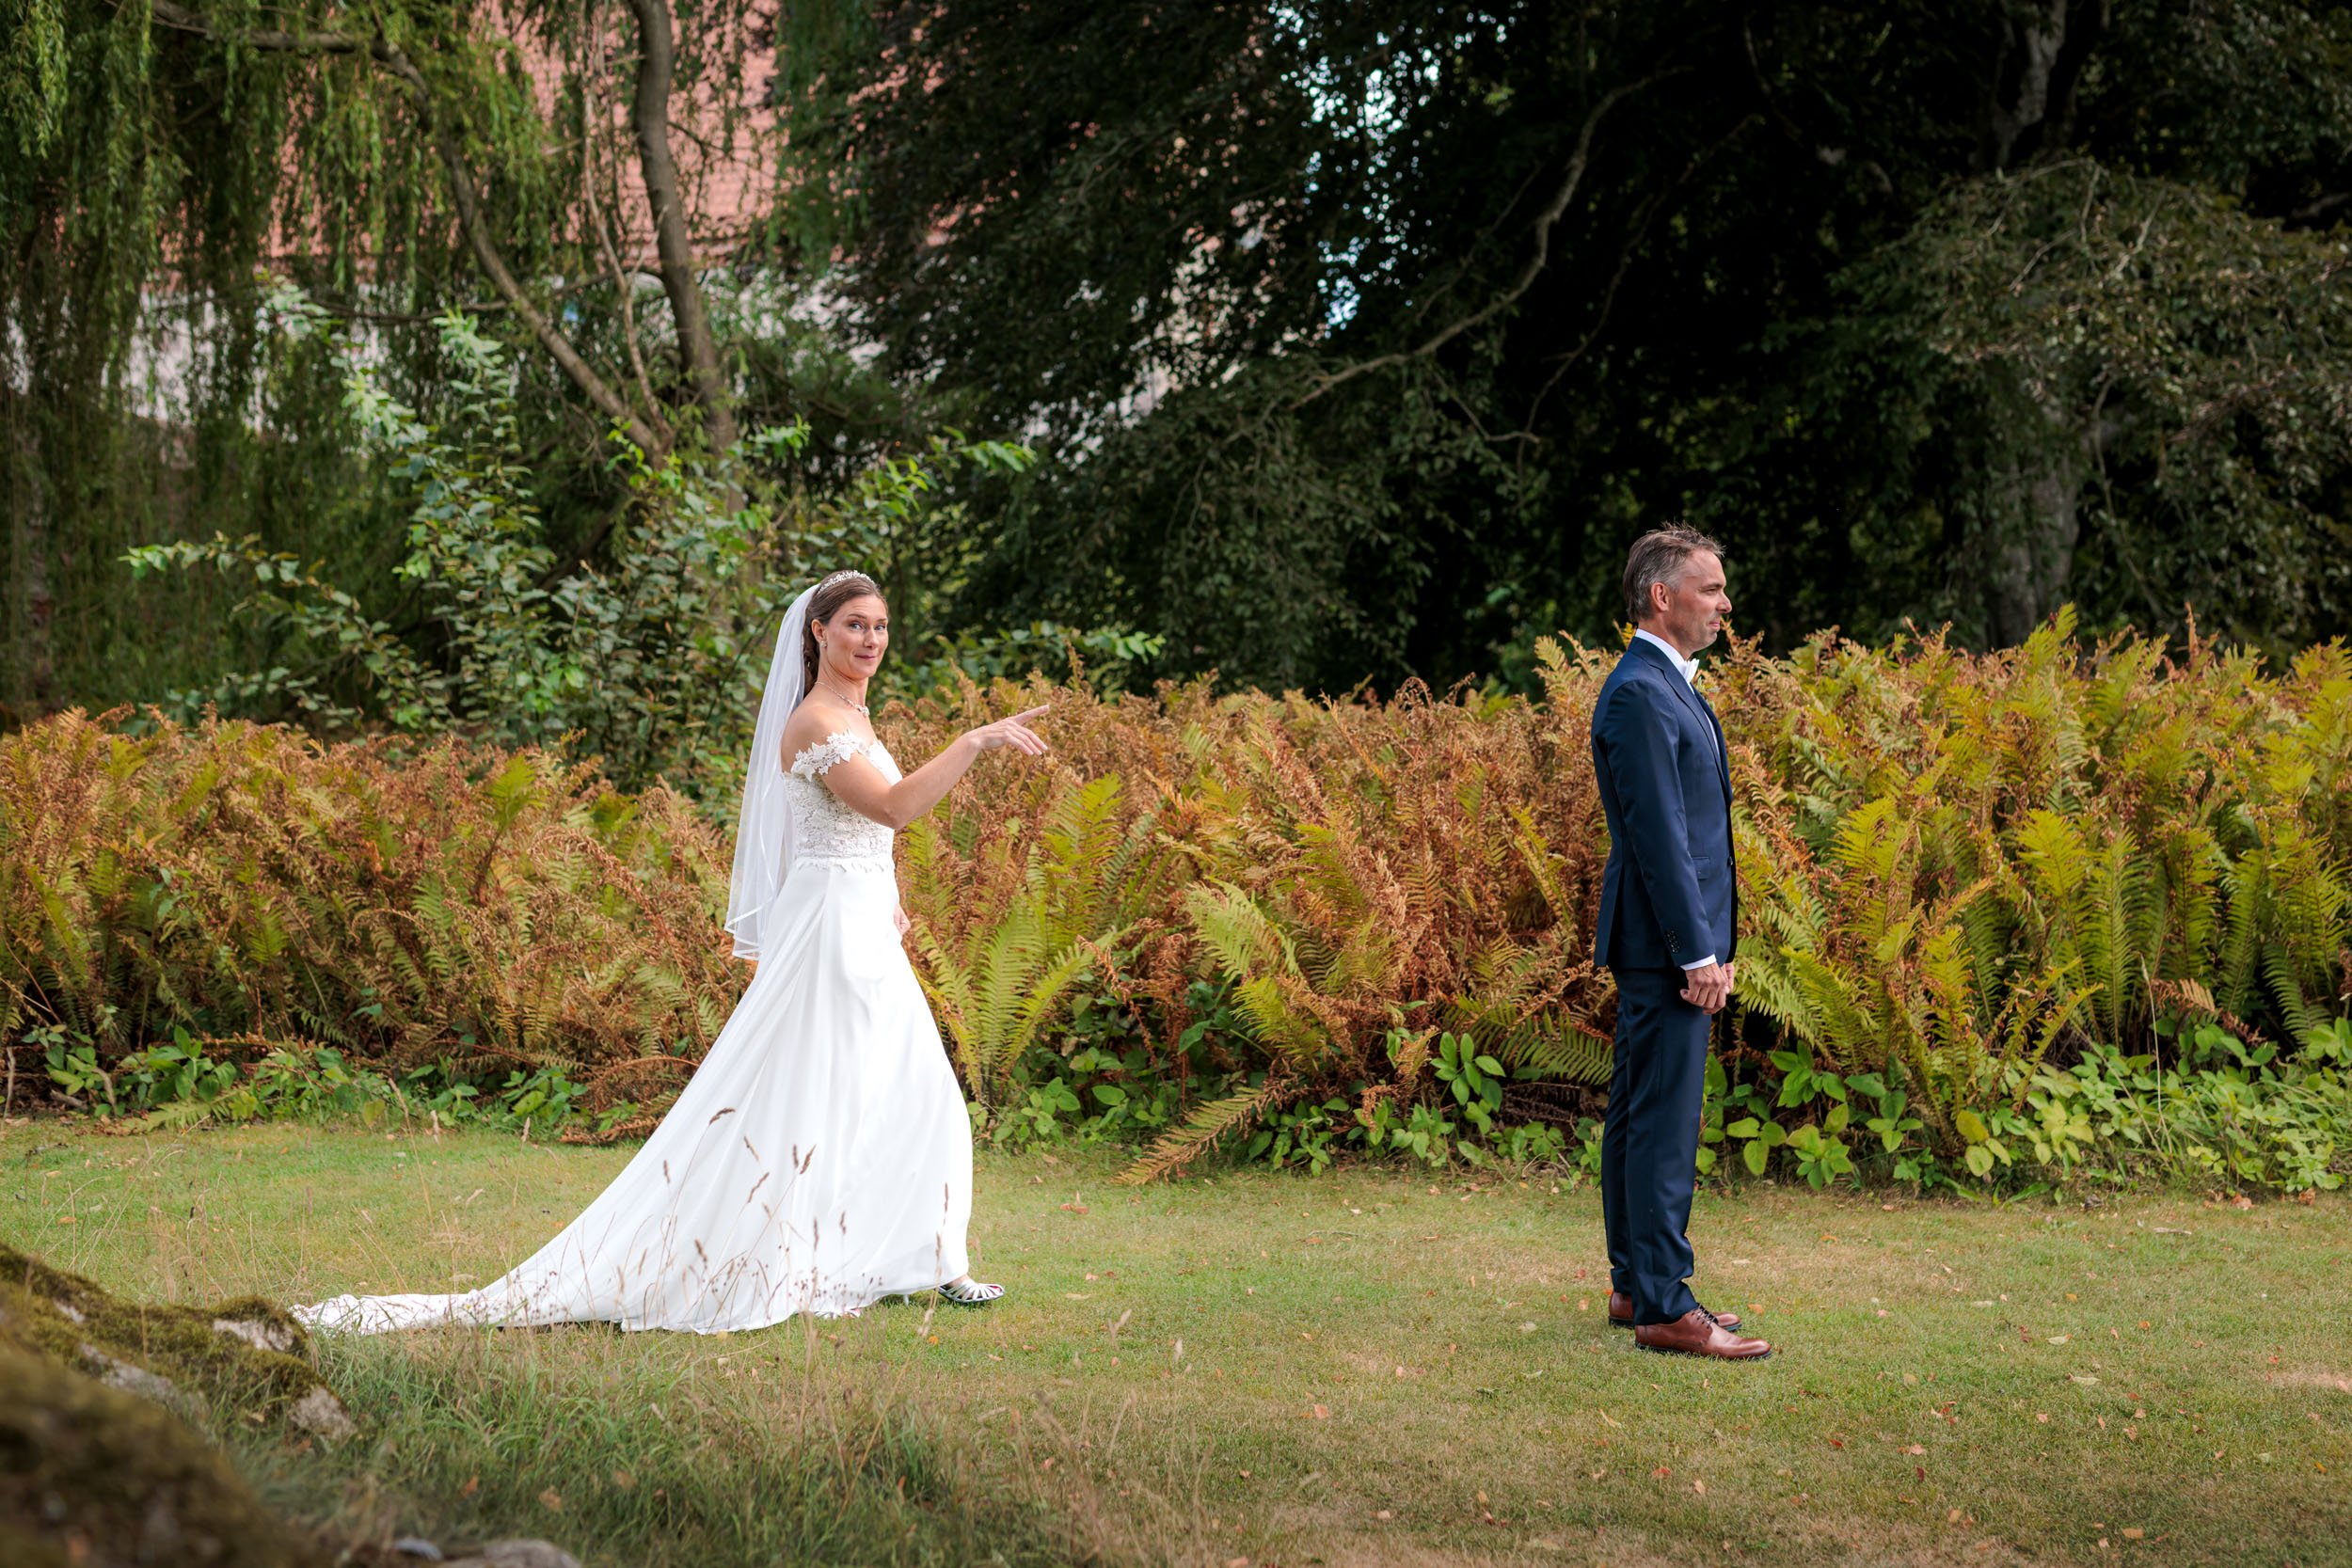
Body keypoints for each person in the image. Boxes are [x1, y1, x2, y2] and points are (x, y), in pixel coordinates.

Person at [294, 569, 1047, 1333]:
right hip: (827, 934)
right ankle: (850, 1258)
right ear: (818, 631)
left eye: (881, 626)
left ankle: (919, 1259)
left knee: (904, 1092)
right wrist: (971, 741)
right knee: (821, 1100)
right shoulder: (816, 722)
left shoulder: (855, 716)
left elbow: (856, 832)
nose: (872, 640)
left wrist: (886, 891)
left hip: (861, 921)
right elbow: (893, 806)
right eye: (856, 624)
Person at [1589, 528, 1772, 1362]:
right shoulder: (1638, 693)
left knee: (1637, 1113)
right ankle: (1664, 1304)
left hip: (1668, 938)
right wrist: (1697, 953)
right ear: (1662, 596)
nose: (1725, 603)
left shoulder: (1669, 687)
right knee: (1661, 1122)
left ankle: (1636, 1283)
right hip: (1667, 945)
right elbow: (1661, 838)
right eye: (1711, 589)